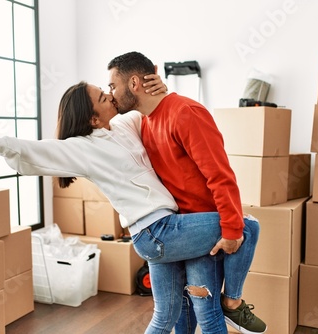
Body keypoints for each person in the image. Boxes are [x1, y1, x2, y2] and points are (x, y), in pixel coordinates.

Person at [0, 79, 254, 334]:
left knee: (168, 312)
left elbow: (144, 105)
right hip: (157, 233)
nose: (109, 96)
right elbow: (35, 150)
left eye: (106, 90)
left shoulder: (126, 125)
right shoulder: (82, 149)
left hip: (164, 230)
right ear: (92, 117)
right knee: (246, 226)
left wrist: (159, 86)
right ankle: (232, 302)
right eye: (103, 97)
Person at [107, 51, 267, 334]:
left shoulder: (186, 113)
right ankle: (231, 302)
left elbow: (220, 174)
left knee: (207, 316)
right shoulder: (142, 122)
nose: (111, 94)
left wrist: (231, 230)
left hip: (201, 229)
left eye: (112, 86)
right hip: (174, 228)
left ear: (133, 84)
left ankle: (232, 303)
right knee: (180, 317)